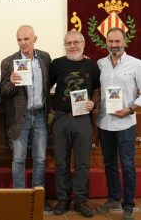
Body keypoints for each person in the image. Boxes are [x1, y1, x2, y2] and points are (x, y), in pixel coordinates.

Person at [49, 29, 100, 218]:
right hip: (61, 118)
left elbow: (97, 89)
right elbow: (46, 87)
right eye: (68, 43)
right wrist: (51, 111)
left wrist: (93, 103)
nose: (72, 46)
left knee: (82, 164)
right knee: (61, 162)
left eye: (76, 42)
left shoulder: (92, 66)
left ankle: (80, 200)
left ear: (83, 44)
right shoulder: (56, 64)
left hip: (82, 120)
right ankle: (63, 199)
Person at [0, 25, 52, 211]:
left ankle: (38, 198)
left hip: (39, 116)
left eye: (26, 39)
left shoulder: (44, 58)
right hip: (19, 118)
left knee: (40, 160)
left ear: (35, 39)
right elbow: (3, 91)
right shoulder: (8, 62)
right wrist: (12, 83)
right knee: (18, 159)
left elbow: (51, 81)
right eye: (19, 39)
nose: (23, 43)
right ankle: (19, 199)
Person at [95, 27, 141, 220]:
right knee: (110, 164)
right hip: (104, 123)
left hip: (125, 124)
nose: (114, 45)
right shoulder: (100, 64)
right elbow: (97, 90)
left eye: (117, 42)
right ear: (106, 42)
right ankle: (114, 198)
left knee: (128, 166)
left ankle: (128, 204)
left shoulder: (136, 64)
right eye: (111, 42)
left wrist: (130, 109)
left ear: (124, 42)